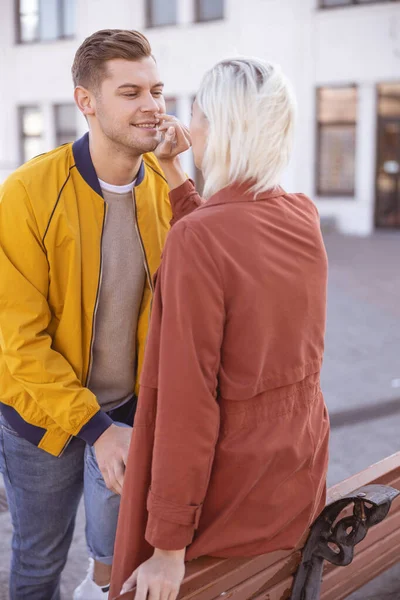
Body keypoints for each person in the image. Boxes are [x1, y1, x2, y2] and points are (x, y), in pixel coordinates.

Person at [109, 57, 330, 600]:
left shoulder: (201, 240)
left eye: (198, 112)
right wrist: (177, 176)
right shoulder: (301, 214)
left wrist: (165, 547)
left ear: (224, 127)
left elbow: (187, 406)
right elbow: (228, 246)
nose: (188, 122)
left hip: (225, 502)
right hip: (293, 481)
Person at [0, 29, 197, 600]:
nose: (153, 107)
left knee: (117, 561)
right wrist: (95, 430)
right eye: (131, 92)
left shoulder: (166, 183)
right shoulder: (28, 193)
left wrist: (180, 171)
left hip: (128, 411)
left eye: (157, 91)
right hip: (41, 423)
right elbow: (20, 342)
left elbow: (199, 291)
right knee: (38, 562)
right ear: (87, 101)